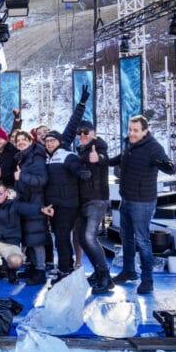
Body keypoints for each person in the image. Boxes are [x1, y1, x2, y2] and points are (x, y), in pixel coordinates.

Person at [109, 114, 176, 294]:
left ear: (145, 131)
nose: (132, 133)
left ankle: (148, 279)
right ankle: (129, 271)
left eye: (136, 130)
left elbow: (170, 167)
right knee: (127, 238)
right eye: (130, 129)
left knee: (142, 241)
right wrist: (102, 161)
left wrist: (167, 165)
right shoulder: (129, 144)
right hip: (126, 198)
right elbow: (119, 158)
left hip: (143, 202)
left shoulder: (153, 147)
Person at [42, 130, 91, 280]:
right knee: (60, 237)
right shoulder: (47, 158)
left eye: (53, 141)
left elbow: (75, 166)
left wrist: (82, 172)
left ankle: (64, 269)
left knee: (62, 238)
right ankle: (67, 265)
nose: (49, 143)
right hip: (54, 205)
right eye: (47, 141)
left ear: (59, 142)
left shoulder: (66, 155)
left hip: (67, 204)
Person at [74, 120, 114, 294]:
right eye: (79, 133)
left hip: (96, 200)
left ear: (93, 133)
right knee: (82, 238)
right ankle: (98, 271)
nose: (82, 135)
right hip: (83, 200)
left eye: (86, 132)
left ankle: (106, 276)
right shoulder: (81, 151)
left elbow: (105, 159)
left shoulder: (98, 148)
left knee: (90, 237)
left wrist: (99, 158)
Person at [13, 129, 49, 286]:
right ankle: (33, 267)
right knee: (30, 237)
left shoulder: (36, 156)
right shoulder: (23, 157)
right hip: (25, 201)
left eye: (23, 139)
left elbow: (41, 180)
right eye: (18, 140)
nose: (20, 142)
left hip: (35, 200)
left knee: (37, 238)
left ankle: (40, 270)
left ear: (30, 141)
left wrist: (22, 177)